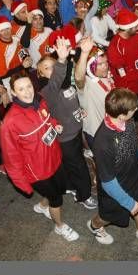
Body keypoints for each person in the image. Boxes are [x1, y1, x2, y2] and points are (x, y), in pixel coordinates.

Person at [0, 72, 80, 242]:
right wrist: (23, 185)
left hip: (55, 158)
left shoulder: (40, 101)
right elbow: (11, 158)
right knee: (56, 199)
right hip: (38, 172)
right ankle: (59, 226)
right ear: (13, 93)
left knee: (59, 189)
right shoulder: (10, 122)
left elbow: (49, 119)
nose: (27, 92)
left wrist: (56, 125)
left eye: (29, 86)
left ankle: (43, 205)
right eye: (21, 89)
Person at [87, 88, 138, 245]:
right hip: (116, 186)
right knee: (108, 216)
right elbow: (108, 182)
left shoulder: (127, 121)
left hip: (134, 175)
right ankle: (94, 226)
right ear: (121, 114)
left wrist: (136, 154)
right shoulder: (102, 143)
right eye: (133, 109)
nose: (136, 110)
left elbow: (130, 140)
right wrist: (128, 203)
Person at [37, 37, 97, 210]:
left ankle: (70, 186)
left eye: (53, 65)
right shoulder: (47, 90)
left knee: (70, 164)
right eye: (47, 68)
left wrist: (79, 111)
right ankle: (84, 195)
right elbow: (56, 79)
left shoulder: (63, 84)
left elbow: (70, 96)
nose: (53, 69)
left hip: (75, 131)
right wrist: (61, 60)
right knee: (79, 166)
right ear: (40, 74)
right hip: (66, 138)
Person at [107, 9, 138, 138]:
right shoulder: (115, 48)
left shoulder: (135, 36)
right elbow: (123, 75)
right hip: (128, 88)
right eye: (135, 26)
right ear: (126, 29)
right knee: (129, 114)